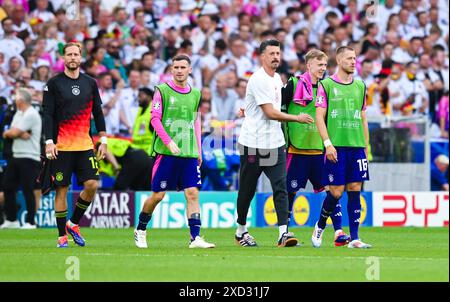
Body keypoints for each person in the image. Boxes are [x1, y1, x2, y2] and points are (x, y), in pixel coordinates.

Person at [235, 39, 313, 248]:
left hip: (275, 143)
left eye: (278, 53)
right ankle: (241, 230)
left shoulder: (277, 78)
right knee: (247, 190)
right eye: (271, 53)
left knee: (281, 186)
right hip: (253, 144)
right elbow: (270, 112)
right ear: (262, 57)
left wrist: (246, 110)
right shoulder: (259, 79)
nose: (276, 57)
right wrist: (297, 118)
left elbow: (267, 104)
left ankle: (283, 233)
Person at [134, 54, 215, 249]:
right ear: (171, 70)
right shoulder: (161, 91)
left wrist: (198, 150)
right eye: (176, 67)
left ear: (189, 70)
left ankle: (195, 238)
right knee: (158, 195)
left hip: (188, 152)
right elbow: (154, 119)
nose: (179, 70)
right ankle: (141, 229)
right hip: (166, 152)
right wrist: (168, 142)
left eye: (182, 67)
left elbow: (196, 121)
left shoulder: (196, 94)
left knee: (193, 193)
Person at [281, 49, 350, 246]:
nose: (323, 69)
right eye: (319, 65)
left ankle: (338, 231)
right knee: (290, 191)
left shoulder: (326, 87)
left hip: (320, 150)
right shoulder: (293, 84)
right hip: (297, 149)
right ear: (309, 65)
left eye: (325, 65)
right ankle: (284, 232)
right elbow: (279, 111)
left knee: (332, 190)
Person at [42, 42, 107, 248]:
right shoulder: (53, 84)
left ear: (81, 57)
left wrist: (103, 140)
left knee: (92, 184)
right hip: (61, 146)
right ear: (63, 58)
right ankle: (62, 236)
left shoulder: (90, 83)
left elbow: (98, 112)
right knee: (62, 189)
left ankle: (74, 223)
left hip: (85, 145)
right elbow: (48, 114)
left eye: (76, 54)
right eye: (69, 54)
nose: (72, 58)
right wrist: (49, 142)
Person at [311, 46, 371, 249]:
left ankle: (354, 238)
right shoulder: (326, 85)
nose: (353, 62)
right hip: (336, 147)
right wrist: (327, 144)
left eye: (355, 58)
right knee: (336, 192)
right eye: (349, 58)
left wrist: (366, 147)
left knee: (355, 188)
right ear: (338, 60)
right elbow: (319, 116)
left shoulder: (361, 86)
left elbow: (363, 117)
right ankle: (320, 226)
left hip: (356, 146)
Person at [0, 88, 41, 229]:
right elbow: (10, 131)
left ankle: (30, 222)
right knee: (7, 186)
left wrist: (13, 133)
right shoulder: (19, 113)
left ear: (20, 100)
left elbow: (13, 132)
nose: (15, 100)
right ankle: (12, 219)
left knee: (28, 189)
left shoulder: (31, 114)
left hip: (29, 156)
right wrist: (13, 133)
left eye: (16, 98)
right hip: (16, 155)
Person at [130, 87, 153, 155]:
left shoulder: (153, 112)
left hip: (148, 152)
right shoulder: (140, 111)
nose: (138, 98)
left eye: (141, 96)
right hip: (138, 150)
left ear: (149, 97)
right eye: (138, 96)